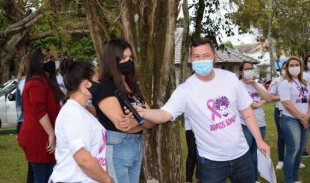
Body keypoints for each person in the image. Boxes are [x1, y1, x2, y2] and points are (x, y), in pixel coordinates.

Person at [136, 37, 270, 183]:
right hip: (211, 163)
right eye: (197, 56)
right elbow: (164, 114)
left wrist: (259, 141)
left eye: (206, 56)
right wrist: (144, 113)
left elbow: (247, 113)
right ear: (190, 59)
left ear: (214, 57)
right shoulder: (185, 90)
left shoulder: (230, 79)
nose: (201, 60)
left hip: (241, 156)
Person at [91, 38, 155, 183]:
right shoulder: (104, 87)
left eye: (131, 57)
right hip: (118, 147)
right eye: (124, 57)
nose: (129, 61)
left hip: (136, 146)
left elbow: (152, 122)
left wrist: (138, 121)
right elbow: (124, 125)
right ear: (112, 60)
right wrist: (143, 120)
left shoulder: (132, 86)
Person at [49, 59, 113, 183]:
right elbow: (83, 159)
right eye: (96, 80)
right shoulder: (72, 114)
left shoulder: (82, 111)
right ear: (85, 84)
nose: (98, 83)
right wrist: (108, 180)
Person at [18, 48, 61, 183]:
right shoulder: (36, 83)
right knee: (43, 177)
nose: (51, 62)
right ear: (39, 63)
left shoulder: (43, 81)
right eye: (46, 60)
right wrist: (51, 134)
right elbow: (39, 111)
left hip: (43, 135)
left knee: (47, 175)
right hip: (39, 137)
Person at [278, 57, 310, 183]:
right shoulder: (284, 83)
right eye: (291, 65)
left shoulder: (306, 82)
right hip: (290, 120)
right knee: (293, 150)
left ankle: (295, 177)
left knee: (299, 151)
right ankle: (289, 179)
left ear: (301, 66)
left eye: (296, 64)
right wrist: (301, 118)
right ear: (287, 68)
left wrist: (307, 117)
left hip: (304, 119)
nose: (294, 67)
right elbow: (287, 103)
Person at [239, 61, 273, 182]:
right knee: (245, 154)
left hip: (260, 124)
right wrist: (248, 105)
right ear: (241, 72)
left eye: (251, 68)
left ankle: (253, 178)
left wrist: (255, 85)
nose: (249, 71)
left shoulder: (257, 84)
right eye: (246, 69)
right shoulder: (237, 85)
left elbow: (269, 98)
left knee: (256, 153)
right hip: (244, 124)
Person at [15, 54, 34, 183]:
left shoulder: (20, 83)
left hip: (22, 124)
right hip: (32, 124)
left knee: (31, 161)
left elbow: (18, 108)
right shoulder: (34, 82)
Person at [269, 62, 287, 170]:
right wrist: (284, 96)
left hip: (294, 112)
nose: (286, 70)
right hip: (280, 111)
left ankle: (294, 160)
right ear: (281, 69)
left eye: (287, 68)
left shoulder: (296, 81)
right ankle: (281, 160)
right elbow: (271, 97)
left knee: (293, 138)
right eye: (284, 68)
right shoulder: (276, 81)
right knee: (282, 136)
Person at [184, 115, 199, 183]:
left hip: (203, 125)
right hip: (190, 125)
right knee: (192, 152)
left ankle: (199, 177)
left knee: (201, 151)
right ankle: (188, 180)